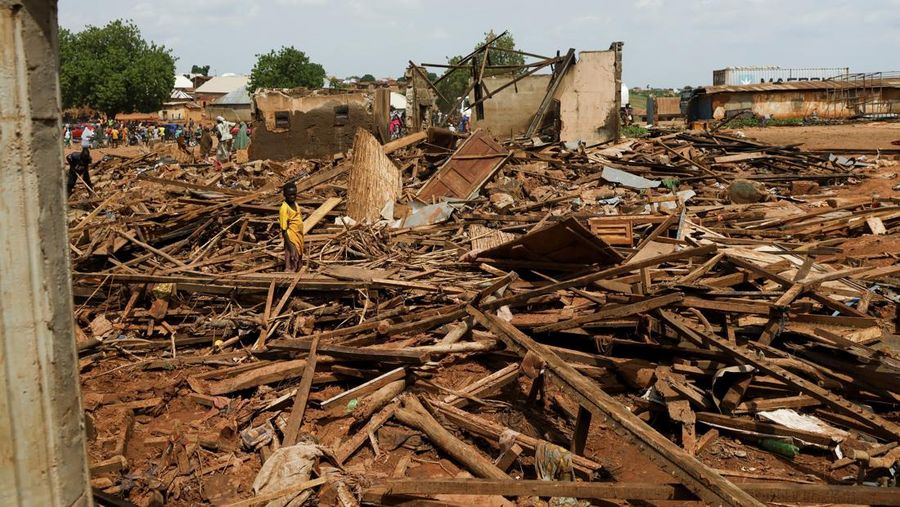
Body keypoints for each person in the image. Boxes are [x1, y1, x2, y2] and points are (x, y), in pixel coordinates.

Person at [279, 182, 304, 272]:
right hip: (291, 236)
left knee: (299, 258)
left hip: (299, 235)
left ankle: (296, 270)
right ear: (285, 195)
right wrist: (290, 246)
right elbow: (284, 230)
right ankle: (288, 270)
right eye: (290, 195)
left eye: (294, 194)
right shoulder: (284, 208)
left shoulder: (295, 204)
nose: (292, 197)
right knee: (292, 255)